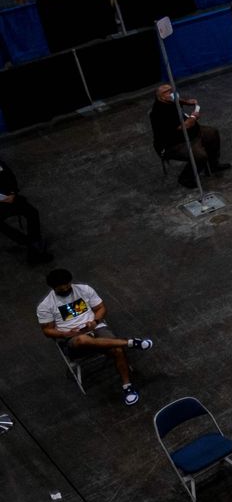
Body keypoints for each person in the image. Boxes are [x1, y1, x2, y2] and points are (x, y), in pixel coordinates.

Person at [37, 270, 152, 405]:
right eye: (61, 289)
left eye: (68, 286)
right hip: (73, 339)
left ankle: (127, 387)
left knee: (118, 350)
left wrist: (95, 322)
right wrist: (66, 334)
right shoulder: (45, 306)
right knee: (82, 339)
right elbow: (47, 330)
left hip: (96, 328)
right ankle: (129, 342)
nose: (66, 290)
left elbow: (101, 308)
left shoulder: (84, 290)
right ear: (53, 288)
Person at [150, 83, 226, 188]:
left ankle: (213, 165)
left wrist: (187, 101)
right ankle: (186, 178)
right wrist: (194, 117)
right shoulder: (160, 112)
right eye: (168, 92)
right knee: (200, 155)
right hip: (173, 143)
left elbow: (177, 99)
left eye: (172, 90)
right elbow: (185, 126)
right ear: (161, 97)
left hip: (190, 134)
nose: (172, 93)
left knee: (212, 133)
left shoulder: (170, 100)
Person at [0, 155, 50, 261]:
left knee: (32, 213)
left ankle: (34, 245)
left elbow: (10, 176)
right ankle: (30, 243)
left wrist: (12, 193)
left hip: (9, 198)